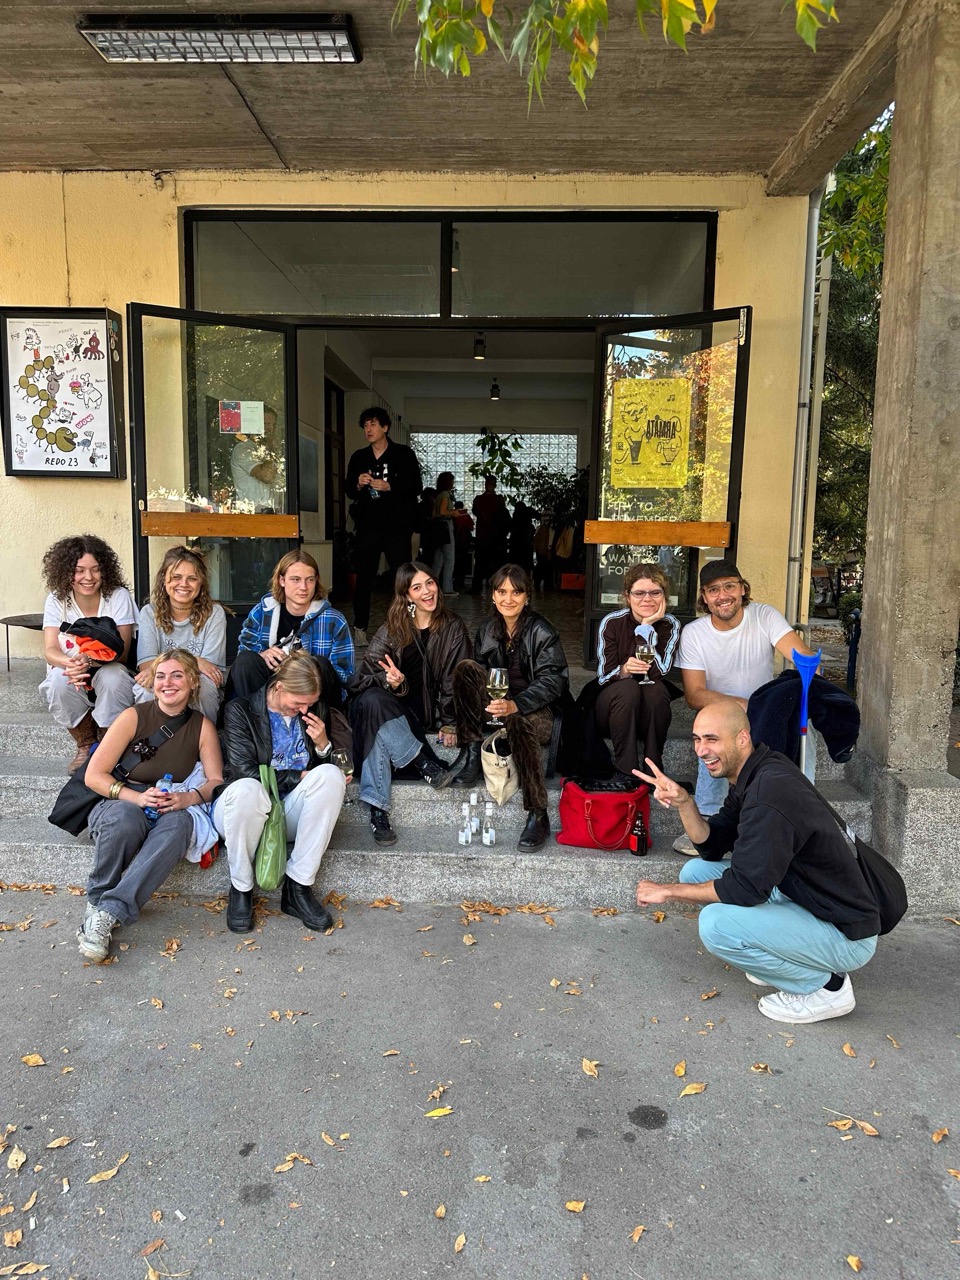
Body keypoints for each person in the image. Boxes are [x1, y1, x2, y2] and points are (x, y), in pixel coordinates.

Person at [635, 701, 879, 1024]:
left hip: (844, 932)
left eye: (711, 739)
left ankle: (826, 988)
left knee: (715, 926)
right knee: (695, 871)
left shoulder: (768, 792)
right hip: (802, 897)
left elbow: (744, 889)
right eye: (697, 739)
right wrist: (684, 803)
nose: (701, 750)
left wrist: (668, 891)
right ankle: (780, 952)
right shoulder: (756, 771)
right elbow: (712, 845)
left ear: (742, 738)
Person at [77, 650, 224, 963]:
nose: (167, 683)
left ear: (193, 681)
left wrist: (187, 798)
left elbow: (215, 782)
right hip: (122, 798)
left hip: (172, 800)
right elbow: (94, 776)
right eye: (160, 676)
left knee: (181, 824)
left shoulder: (202, 727)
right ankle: (97, 899)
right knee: (125, 818)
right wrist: (137, 797)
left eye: (177, 675)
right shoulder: (133, 716)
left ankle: (108, 913)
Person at [673, 558, 819, 852]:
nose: (722, 595)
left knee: (802, 722)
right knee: (715, 728)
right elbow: (694, 695)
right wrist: (741, 704)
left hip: (765, 710)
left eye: (729, 586)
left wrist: (807, 674)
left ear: (742, 589)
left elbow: (802, 657)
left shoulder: (763, 615)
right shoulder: (695, 632)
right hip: (724, 710)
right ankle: (709, 817)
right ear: (704, 597)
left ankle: (801, 814)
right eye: (713, 590)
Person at [214, 650, 350, 934]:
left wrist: (323, 745)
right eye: (298, 702)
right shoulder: (240, 711)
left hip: (287, 812)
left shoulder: (312, 710)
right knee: (248, 789)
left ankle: (298, 888)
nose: (304, 709)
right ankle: (241, 888)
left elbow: (321, 778)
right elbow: (244, 771)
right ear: (278, 686)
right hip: (243, 812)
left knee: (331, 775)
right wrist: (297, 776)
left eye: (310, 703)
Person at [349, 563, 471, 846]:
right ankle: (422, 762)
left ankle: (378, 812)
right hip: (385, 708)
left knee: (377, 726)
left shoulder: (453, 628)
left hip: (417, 717)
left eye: (430, 583)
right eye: (417, 587)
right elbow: (359, 681)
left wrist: (449, 722)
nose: (427, 591)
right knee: (374, 701)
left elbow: (456, 680)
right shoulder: (392, 629)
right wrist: (388, 681)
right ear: (406, 595)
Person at [450, 563, 568, 851]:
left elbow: (554, 681)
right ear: (492, 595)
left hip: (537, 711)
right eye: (501, 592)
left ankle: (538, 813)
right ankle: (472, 753)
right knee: (466, 668)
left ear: (527, 596)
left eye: (516, 592)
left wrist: (516, 705)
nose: (508, 599)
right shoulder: (488, 630)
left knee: (517, 722)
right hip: (499, 706)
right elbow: (480, 679)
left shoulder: (542, 630)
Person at [40, 534, 137, 772]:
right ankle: (85, 743)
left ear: (105, 570)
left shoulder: (117, 596)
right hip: (75, 668)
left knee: (113, 677)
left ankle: (108, 742)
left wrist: (87, 660)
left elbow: (123, 652)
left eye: (95, 569)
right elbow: (50, 650)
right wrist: (71, 664)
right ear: (66, 572)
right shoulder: (56, 599)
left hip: (109, 665)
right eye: (79, 570)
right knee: (57, 680)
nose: (89, 577)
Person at [579, 563, 681, 783]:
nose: (647, 599)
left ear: (664, 596)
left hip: (647, 713)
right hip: (612, 709)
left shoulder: (670, 624)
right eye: (639, 593)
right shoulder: (612, 622)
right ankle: (626, 769)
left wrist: (646, 628)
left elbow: (660, 671)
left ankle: (653, 769)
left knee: (656, 690)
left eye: (655, 593)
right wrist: (624, 670)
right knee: (628, 687)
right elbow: (604, 675)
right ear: (627, 596)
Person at [229, 550, 353, 701]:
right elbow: (243, 656)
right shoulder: (261, 612)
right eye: (295, 579)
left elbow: (346, 675)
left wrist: (306, 667)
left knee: (321, 664)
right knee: (246, 660)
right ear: (282, 580)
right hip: (268, 688)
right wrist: (262, 655)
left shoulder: (334, 620)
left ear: (316, 581)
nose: (303, 587)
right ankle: (255, 714)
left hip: (314, 695)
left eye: (310, 580)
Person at [345, 406, 422, 647]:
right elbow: (348, 491)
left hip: (397, 528)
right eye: (366, 425)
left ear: (385, 427)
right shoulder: (359, 457)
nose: (368, 429)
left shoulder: (403, 455)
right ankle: (360, 628)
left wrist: (390, 487)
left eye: (373, 424)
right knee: (364, 578)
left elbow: (416, 486)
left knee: (402, 579)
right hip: (367, 527)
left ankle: (407, 626)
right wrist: (358, 484)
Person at [135, 546, 227, 722]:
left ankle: (203, 736)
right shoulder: (149, 612)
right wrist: (196, 661)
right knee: (146, 688)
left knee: (204, 688)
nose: (184, 584)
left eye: (192, 578)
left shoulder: (214, 613)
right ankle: (151, 737)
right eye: (176, 577)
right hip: (165, 676)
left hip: (199, 679)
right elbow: (146, 666)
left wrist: (166, 665)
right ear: (164, 579)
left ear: (201, 583)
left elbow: (211, 670)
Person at [230, 404, 284, 513]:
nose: (271, 429)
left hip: (271, 511)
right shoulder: (243, 449)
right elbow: (267, 476)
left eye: (273, 425)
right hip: (253, 513)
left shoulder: (264, 450)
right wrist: (272, 448)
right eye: (266, 424)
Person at [471, 475, 511, 593]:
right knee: (491, 563)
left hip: (484, 536)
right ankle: (493, 586)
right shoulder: (497, 500)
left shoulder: (479, 499)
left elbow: (476, 511)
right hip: (494, 537)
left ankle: (478, 587)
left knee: (481, 563)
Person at [431, 471, 459, 597]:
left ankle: (432, 586)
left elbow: (434, 513)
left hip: (437, 529)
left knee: (438, 560)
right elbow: (443, 512)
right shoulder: (446, 495)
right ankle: (447, 588)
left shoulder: (438, 495)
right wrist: (454, 513)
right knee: (449, 559)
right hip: (446, 528)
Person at [451, 501, 474, 592]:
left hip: (456, 542)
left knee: (455, 562)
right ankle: (461, 581)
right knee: (463, 562)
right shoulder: (466, 516)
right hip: (465, 542)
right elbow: (471, 527)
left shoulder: (453, 516)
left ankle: (455, 581)